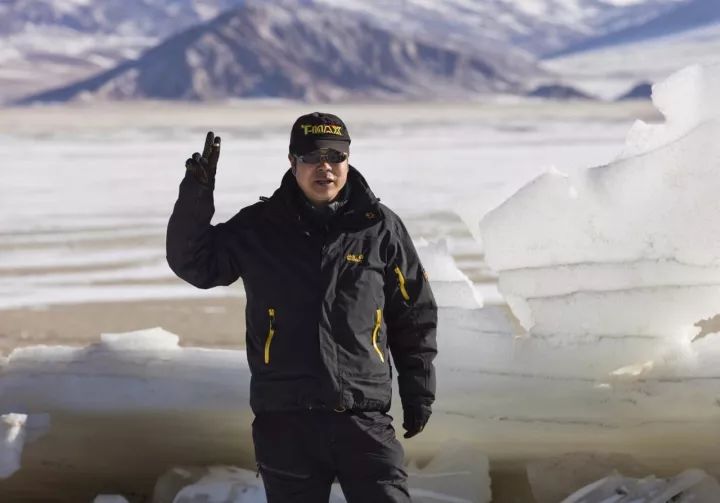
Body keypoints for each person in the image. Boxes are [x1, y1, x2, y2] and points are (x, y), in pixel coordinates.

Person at [166, 112, 437, 502]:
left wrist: (418, 391)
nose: (325, 167)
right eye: (312, 157)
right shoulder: (259, 227)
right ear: (293, 162)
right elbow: (194, 263)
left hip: (363, 417)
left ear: (348, 160)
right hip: (286, 421)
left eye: (335, 156)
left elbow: (413, 313)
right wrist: (197, 192)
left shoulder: (378, 227)